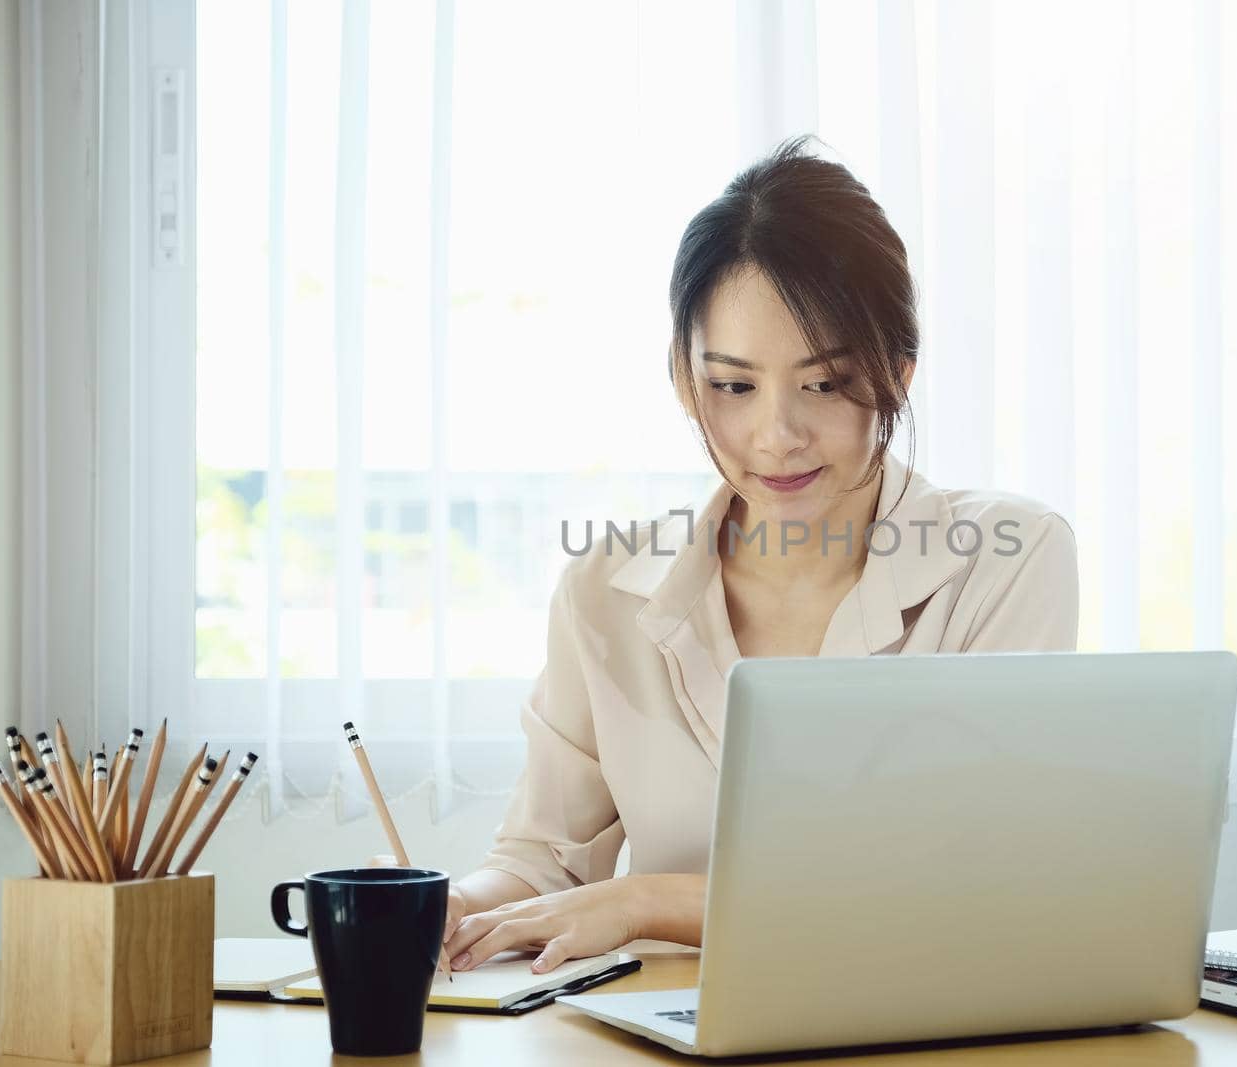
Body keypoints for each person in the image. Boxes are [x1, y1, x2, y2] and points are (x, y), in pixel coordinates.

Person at [441, 136, 1078, 975]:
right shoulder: (605, 591)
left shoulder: (1006, 561)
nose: (776, 436)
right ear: (683, 378)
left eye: (823, 382)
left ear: (899, 370)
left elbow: (971, 883)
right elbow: (542, 865)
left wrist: (645, 900)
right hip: (666, 1036)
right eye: (733, 386)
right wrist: (449, 904)